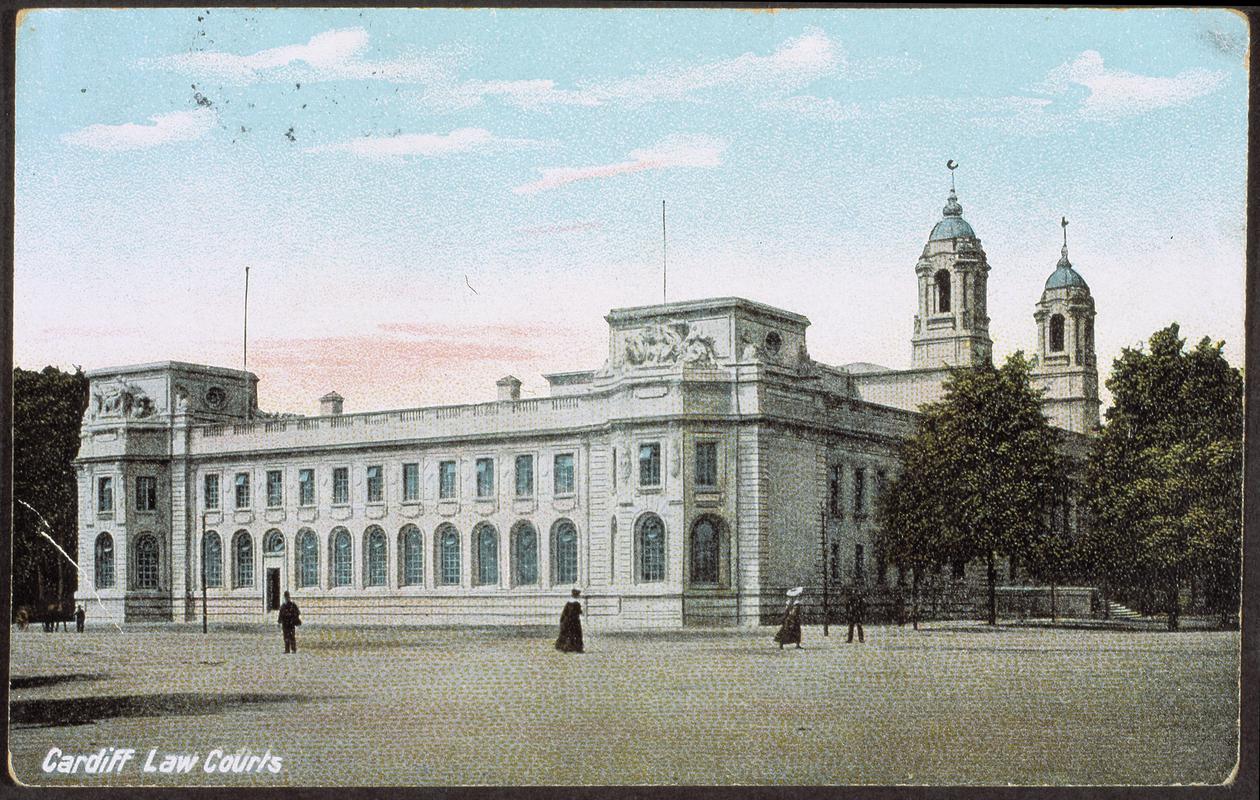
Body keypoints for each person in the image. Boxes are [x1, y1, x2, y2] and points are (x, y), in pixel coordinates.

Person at [555, 589, 584, 653]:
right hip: (574, 622)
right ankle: (576, 648)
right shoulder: (576, 604)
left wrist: (562, 621)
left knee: (567, 634)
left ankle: (564, 647)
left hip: (567, 621)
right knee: (576, 634)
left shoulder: (568, 603)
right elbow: (578, 612)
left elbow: (564, 613)